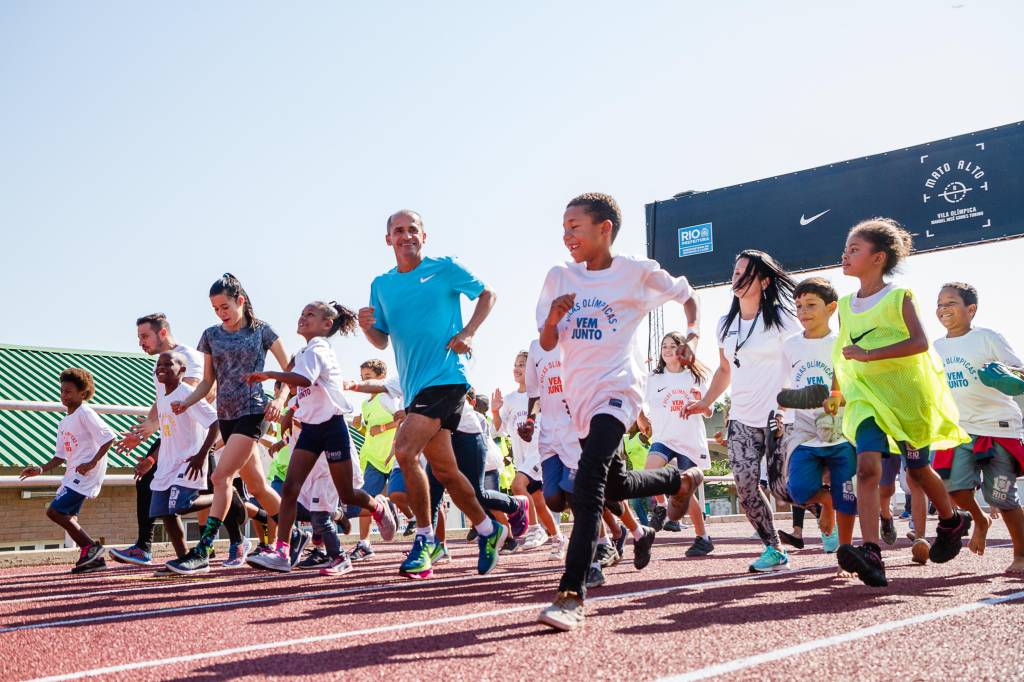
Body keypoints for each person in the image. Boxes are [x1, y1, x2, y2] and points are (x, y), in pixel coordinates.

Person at [535, 192, 703, 631]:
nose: (566, 235)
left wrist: (693, 335)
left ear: (604, 227)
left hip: (619, 391)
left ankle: (572, 592)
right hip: (581, 399)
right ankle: (677, 479)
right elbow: (549, 343)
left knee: (587, 483)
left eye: (575, 226)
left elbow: (687, 296)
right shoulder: (559, 277)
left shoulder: (636, 273)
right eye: (564, 226)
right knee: (612, 485)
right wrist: (553, 319)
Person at [359, 209, 507, 579]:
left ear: (424, 236)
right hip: (414, 385)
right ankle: (490, 530)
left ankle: (425, 538)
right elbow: (381, 339)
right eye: (398, 231)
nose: (406, 235)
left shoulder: (445, 268)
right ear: (388, 239)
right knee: (444, 469)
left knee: (405, 450)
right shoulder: (382, 284)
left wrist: (469, 332)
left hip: (447, 375)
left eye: (413, 230)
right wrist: (366, 328)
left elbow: (488, 293)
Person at [826, 218, 971, 587]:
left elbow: (919, 343)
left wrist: (869, 355)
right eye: (846, 247)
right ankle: (871, 551)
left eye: (854, 249)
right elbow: (842, 354)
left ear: (879, 258)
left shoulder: (898, 296)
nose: (845, 254)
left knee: (918, 470)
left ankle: (953, 521)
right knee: (867, 469)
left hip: (905, 399)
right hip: (866, 401)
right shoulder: (843, 305)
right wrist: (837, 390)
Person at [245, 301, 396, 572]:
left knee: (347, 494)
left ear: (327, 324)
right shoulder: (304, 351)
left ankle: (377, 507)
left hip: (331, 427)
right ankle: (281, 552)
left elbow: (302, 380)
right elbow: (292, 381)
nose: (303, 317)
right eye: (302, 313)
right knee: (290, 489)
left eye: (310, 314)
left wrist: (268, 374)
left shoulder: (319, 349)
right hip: (311, 430)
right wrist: (282, 397)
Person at [165, 273, 294, 575]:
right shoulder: (211, 335)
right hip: (226, 415)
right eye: (215, 309)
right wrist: (187, 402)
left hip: (254, 412)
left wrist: (279, 400)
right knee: (258, 486)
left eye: (225, 306)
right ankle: (296, 534)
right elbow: (208, 380)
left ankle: (204, 550)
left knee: (221, 477)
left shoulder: (263, 331)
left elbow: (291, 372)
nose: (221, 313)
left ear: (240, 301)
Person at [685, 250, 802, 572]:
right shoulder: (726, 324)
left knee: (786, 489)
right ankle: (773, 549)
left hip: (780, 417)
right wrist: (707, 401)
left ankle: (832, 513)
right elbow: (725, 370)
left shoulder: (784, 320)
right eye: (734, 273)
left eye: (745, 273)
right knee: (747, 484)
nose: (736, 279)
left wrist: (798, 401)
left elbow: (800, 363)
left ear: (764, 281)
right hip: (742, 417)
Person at [933, 281, 1024, 574]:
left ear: (970, 309)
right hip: (959, 429)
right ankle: (979, 519)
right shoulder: (937, 347)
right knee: (955, 490)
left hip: (999, 427)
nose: (944, 309)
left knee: (1001, 497)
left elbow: (1020, 371)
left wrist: (1005, 376)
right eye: (940, 304)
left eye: (951, 303)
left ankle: (1021, 555)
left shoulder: (988, 338)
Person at [110, 313, 207, 567]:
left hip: (192, 436)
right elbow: (161, 401)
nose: (141, 343)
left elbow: (187, 395)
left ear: (162, 333)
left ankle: (243, 527)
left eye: (145, 336)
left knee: (205, 495)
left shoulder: (187, 358)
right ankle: (173, 553)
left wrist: (152, 433)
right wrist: (143, 431)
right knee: (154, 487)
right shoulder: (161, 365)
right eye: (139, 337)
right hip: (171, 434)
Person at [780, 278, 857, 562]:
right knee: (798, 490)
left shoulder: (841, 344)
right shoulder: (790, 346)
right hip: (804, 429)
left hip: (839, 430)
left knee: (846, 492)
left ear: (831, 308)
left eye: (811, 305)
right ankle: (826, 502)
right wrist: (781, 412)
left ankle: (845, 551)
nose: (803, 312)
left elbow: (854, 386)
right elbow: (784, 386)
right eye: (798, 306)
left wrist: (837, 399)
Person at [20, 368, 116, 573]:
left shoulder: (85, 412)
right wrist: (40, 469)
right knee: (68, 516)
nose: (64, 395)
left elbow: (109, 437)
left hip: (86, 474)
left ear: (83, 393)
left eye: (69, 391)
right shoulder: (64, 423)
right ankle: (94, 560)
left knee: (54, 511)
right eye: (62, 391)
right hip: (72, 474)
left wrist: (92, 463)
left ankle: (91, 547)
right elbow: (60, 456)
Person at [135, 351, 220, 563]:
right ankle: (183, 558)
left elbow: (215, 423)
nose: (161, 367)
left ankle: (226, 498)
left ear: (181, 370)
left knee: (181, 505)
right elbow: (166, 434)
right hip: (166, 464)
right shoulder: (163, 399)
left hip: (188, 460)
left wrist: (201, 455)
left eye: (168, 364)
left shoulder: (188, 394)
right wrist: (151, 460)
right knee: (163, 510)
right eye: (158, 364)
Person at [643, 331, 715, 557]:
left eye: (672, 346)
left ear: (683, 350)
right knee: (649, 472)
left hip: (688, 441)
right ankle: (663, 507)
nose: (667, 350)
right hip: (664, 438)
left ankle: (702, 538)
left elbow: (710, 411)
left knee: (685, 493)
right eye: (664, 346)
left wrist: (699, 404)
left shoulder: (694, 378)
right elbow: (637, 402)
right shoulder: (653, 379)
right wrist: (641, 420)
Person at [492, 351, 560, 551]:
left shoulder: (540, 394)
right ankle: (557, 537)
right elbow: (499, 428)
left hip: (539, 451)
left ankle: (534, 529)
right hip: (521, 458)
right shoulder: (510, 399)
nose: (517, 367)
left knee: (517, 485)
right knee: (537, 501)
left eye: (522, 364)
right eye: (516, 364)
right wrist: (495, 411)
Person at [525, 337, 577, 560]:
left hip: (576, 430)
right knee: (553, 498)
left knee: (577, 493)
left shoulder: (577, 340)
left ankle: (601, 543)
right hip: (548, 433)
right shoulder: (536, 347)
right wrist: (529, 421)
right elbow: (534, 393)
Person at [350, 360, 404, 561]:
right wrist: (360, 427)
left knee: (400, 494)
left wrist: (382, 428)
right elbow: (370, 431)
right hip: (372, 456)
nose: (364, 382)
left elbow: (401, 419)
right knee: (367, 499)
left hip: (393, 454)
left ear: (381, 378)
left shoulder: (385, 397)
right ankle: (364, 544)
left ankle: (423, 531)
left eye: (368, 377)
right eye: (362, 377)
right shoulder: (365, 404)